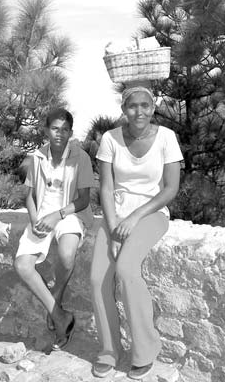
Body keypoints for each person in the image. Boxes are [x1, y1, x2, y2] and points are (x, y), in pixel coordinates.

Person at [90, 86, 183, 380]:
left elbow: (170, 189)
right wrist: (115, 223)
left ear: (153, 107)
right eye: (132, 106)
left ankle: (145, 350)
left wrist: (134, 217)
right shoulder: (109, 139)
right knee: (96, 278)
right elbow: (105, 187)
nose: (139, 111)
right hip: (115, 216)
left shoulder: (166, 137)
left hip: (151, 214)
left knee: (128, 269)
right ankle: (108, 351)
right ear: (123, 108)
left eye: (145, 105)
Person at [14, 108, 95, 351]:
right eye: (55, 128)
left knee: (66, 254)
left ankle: (55, 300)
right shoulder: (36, 157)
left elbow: (83, 200)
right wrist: (35, 219)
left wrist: (56, 215)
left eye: (65, 129)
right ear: (46, 130)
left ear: (70, 132)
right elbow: (29, 196)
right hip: (42, 216)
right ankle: (60, 315)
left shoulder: (81, 158)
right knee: (22, 265)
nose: (60, 133)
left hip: (69, 214)